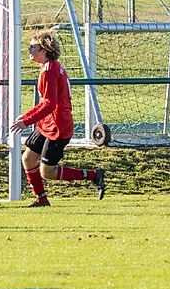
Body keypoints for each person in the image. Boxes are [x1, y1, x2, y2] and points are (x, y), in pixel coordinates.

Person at [10, 28, 105, 207]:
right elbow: (47, 101)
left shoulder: (50, 71)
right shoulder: (50, 66)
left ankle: (94, 175)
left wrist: (26, 121)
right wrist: (28, 115)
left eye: (33, 47)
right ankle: (41, 199)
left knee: (47, 172)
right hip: (47, 123)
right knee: (28, 159)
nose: (29, 51)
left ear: (44, 51)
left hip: (58, 127)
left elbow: (50, 104)